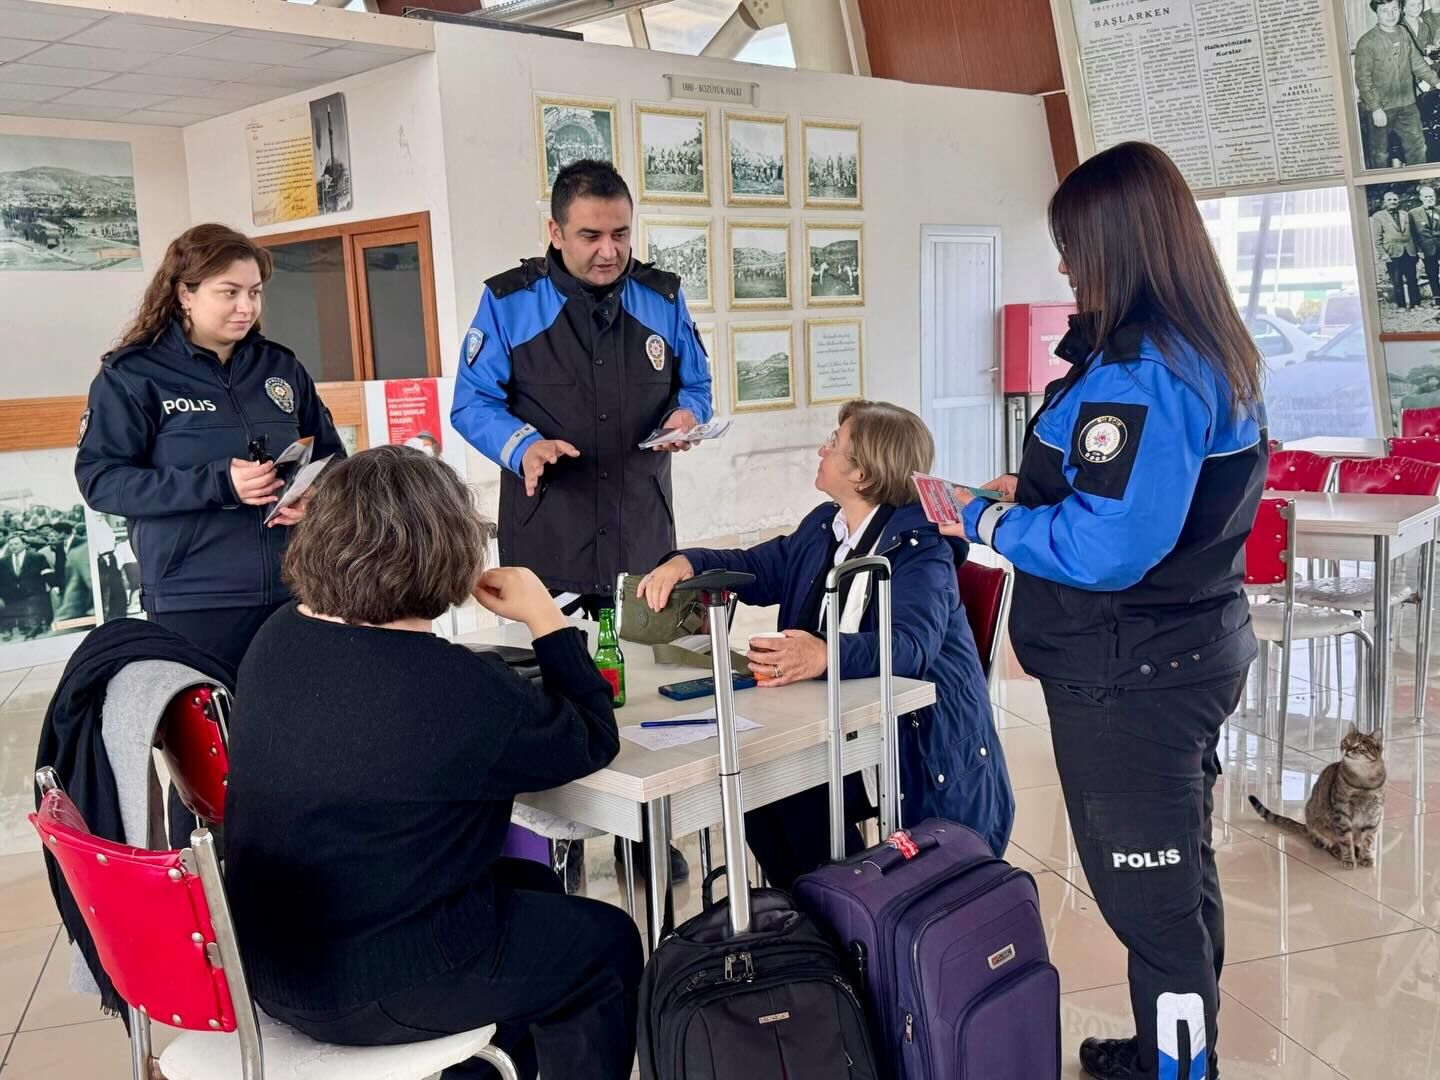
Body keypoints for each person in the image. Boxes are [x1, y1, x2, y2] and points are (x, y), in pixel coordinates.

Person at [945, 142, 1265, 1080]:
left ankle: (1178, 1068)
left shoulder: (1144, 374)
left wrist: (987, 516)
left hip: (1132, 674)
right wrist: (1039, 494)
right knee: (1177, 872)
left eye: (1073, 246)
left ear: (1119, 244)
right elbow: (1125, 498)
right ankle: (1172, 1046)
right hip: (1181, 651)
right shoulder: (1192, 347)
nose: (1064, 266)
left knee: (1148, 898)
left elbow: (1109, 549)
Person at [224, 446, 641, 1080]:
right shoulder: (455, 684)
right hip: (378, 984)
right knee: (605, 943)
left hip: (266, 960)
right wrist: (543, 616)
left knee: (529, 895)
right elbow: (590, 737)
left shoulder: (276, 636)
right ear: (447, 549)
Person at [452, 158, 712, 881]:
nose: (609, 250)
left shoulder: (663, 297)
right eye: (591, 234)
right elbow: (470, 402)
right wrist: (523, 444)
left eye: (622, 234)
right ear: (555, 232)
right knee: (549, 701)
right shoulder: (508, 302)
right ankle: (558, 842)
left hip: (643, 539)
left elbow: (698, 380)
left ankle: (643, 834)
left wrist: (692, 414)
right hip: (550, 543)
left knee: (651, 697)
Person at [639, 400, 1013, 890]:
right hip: (833, 726)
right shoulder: (825, 525)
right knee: (759, 787)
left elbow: (908, 647)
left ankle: (852, 907)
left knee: (790, 795)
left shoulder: (922, 552)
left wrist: (821, 653)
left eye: (833, 443)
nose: (822, 449)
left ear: (861, 472)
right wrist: (688, 562)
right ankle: (814, 915)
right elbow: (758, 567)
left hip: (913, 744)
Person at [75, 224, 345, 674]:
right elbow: (101, 481)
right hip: (196, 597)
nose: (247, 307)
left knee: (299, 733)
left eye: (255, 292)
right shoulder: (133, 375)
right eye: (230, 292)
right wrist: (220, 482)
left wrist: (314, 496)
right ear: (185, 293)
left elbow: (332, 458)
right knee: (214, 738)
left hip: (298, 585)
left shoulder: (280, 365)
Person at [1356, 0, 1440, 168]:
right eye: (1384, 10)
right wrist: (1375, 108)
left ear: (1400, 10)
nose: (1390, 14)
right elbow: (1363, 78)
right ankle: (1385, 190)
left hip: (1407, 104)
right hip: (1382, 107)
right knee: (1380, 153)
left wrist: (1437, 82)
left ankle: (1421, 185)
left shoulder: (1403, 32)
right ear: (1376, 13)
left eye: (1394, 9)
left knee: (1418, 148)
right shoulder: (1367, 42)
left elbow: (1416, 62)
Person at [1374, 189, 1422, 309]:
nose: (1392, 202)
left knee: (1412, 279)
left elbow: (1413, 233)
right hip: (1392, 253)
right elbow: (1377, 238)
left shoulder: (1405, 214)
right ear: (1385, 202)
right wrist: (1383, 254)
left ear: (1398, 201)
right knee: (1397, 281)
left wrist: (1417, 250)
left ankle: (1415, 303)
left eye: (1395, 199)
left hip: (1409, 251)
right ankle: (1400, 305)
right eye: (1389, 200)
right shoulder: (1379, 216)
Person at [0, 533, 53, 639]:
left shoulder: (37, 557)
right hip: (13, 593)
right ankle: (19, 628)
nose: (13, 547)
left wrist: (54, 586)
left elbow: (46, 573)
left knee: (33, 611)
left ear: (24, 544)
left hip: (34, 591)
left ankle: (35, 627)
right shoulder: (3, 561)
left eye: (16, 544)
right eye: (11, 545)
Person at [1411, 186, 1440, 304]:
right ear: (1421, 198)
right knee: (1432, 273)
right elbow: (1413, 234)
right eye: (1426, 196)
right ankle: (1437, 298)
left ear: (1435, 196)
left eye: (1431, 196)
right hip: (1427, 248)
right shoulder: (1413, 213)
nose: (1429, 198)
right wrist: (1419, 250)